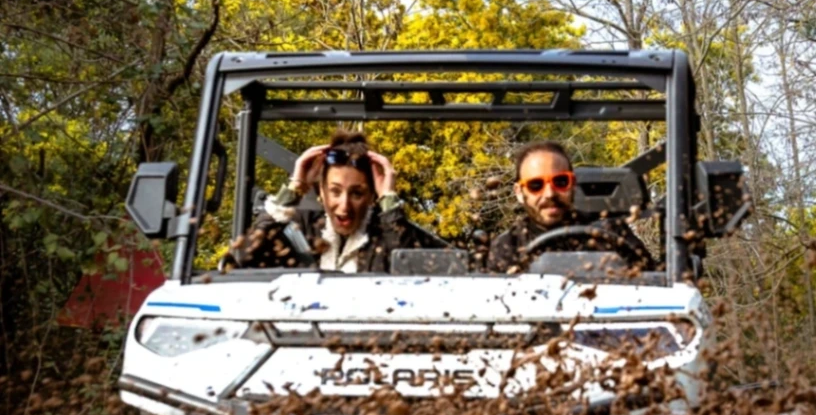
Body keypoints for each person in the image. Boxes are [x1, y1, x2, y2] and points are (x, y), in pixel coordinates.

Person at [229, 128, 440, 272]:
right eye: (335, 191)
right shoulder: (299, 228)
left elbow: (419, 270)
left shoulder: (387, 233)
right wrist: (293, 190)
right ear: (321, 191)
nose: (344, 205)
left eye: (357, 193)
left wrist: (389, 200)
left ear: (371, 197)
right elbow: (244, 258)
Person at [487, 140, 656, 273]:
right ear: (519, 192)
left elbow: (653, 287)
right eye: (536, 185)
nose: (549, 194)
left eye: (560, 182)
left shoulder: (610, 233)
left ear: (573, 184)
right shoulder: (507, 247)